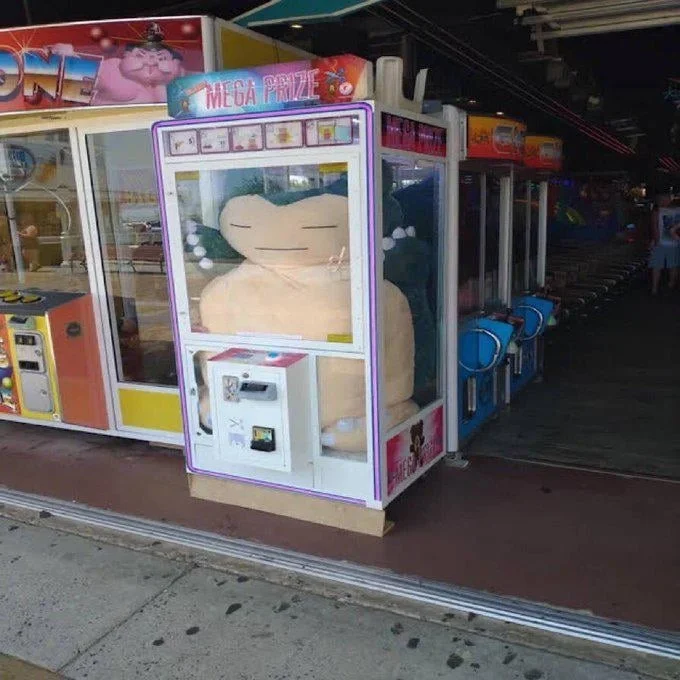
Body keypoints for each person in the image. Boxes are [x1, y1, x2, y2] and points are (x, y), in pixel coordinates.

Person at [649, 193, 680, 295]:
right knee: (673, 265)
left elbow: (654, 227)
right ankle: (671, 284)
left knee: (657, 266)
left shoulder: (657, 211)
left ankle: (655, 288)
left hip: (661, 242)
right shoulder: (677, 210)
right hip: (675, 242)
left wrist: (654, 240)